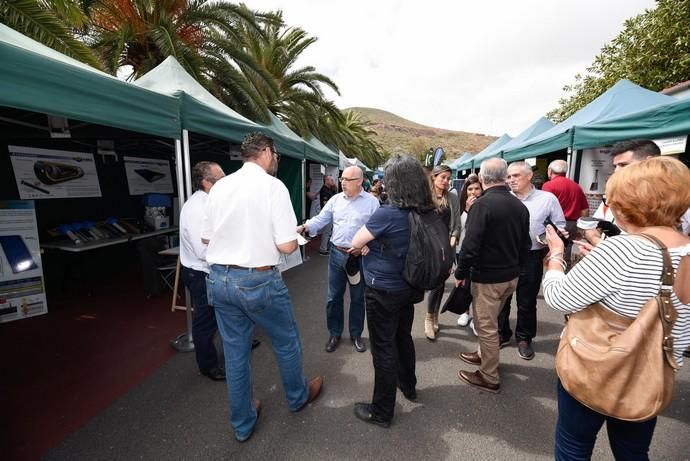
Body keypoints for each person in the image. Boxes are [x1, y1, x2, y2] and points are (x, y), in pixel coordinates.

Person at [541, 156, 690, 460]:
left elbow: (558, 297)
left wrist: (555, 257)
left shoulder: (622, 249)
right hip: (651, 375)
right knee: (634, 453)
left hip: (595, 369)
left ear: (630, 203)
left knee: (573, 448)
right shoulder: (684, 249)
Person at [202, 132, 323, 443]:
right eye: (276, 155)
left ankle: (243, 423)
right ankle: (297, 398)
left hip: (219, 278)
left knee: (235, 354)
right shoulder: (272, 186)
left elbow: (206, 237)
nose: (276, 161)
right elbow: (285, 245)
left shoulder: (220, 186)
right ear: (267, 152)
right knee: (286, 342)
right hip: (257, 280)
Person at [350, 154, 431, 427]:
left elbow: (356, 241)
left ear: (393, 183)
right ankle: (408, 385)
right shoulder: (426, 211)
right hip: (410, 286)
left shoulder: (387, 212)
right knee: (402, 337)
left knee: (383, 349)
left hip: (383, 290)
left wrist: (367, 245)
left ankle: (382, 411)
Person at [455, 158, 530, 393]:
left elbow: (470, 246)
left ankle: (489, 376)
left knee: (486, 325)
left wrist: (460, 272)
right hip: (511, 277)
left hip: (489, 279)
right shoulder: (519, 205)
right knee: (492, 321)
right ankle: (483, 355)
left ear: (483, 177)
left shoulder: (482, 205)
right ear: (504, 177)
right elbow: (525, 244)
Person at [297, 166, 380, 353]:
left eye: (347, 180)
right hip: (336, 254)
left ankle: (356, 334)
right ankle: (334, 333)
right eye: (341, 178)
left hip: (358, 258)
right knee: (334, 297)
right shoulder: (335, 200)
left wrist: (369, 244)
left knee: (358, 298)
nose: (342, 182)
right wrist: (303, 227)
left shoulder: (372, 203)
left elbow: (378, 230)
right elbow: (320, 220)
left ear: (359, 181)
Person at [498, 161, 566, 360]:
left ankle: (524, 338)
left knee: (526, 301)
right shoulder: (503, 199)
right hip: (506, 255)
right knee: (503, 298)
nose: (511, 180)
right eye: (509, 176)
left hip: (532, 255)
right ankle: (501, 334)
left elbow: (559, 225)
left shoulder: (547, 198)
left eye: (516, 176)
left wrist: (547, 240)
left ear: (529, 176)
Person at [180, 161, 228, 381]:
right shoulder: (198, 209)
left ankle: (238, 341)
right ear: (206, 183)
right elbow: (203, 251)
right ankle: (207, 365)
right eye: (220, 178)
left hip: (210, 271)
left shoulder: (211, 201)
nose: (225, 181)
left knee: (226, 311)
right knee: (205, 321)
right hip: (200, 273)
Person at [424, 164, 461, 340]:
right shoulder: (425, 197)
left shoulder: (452, 197)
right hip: (428, 247)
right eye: (442, 177)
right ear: (434, 177)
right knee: (433, 284)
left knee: (440, 283)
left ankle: (434, 316)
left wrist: (453, 238)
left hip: (446, 248)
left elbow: (457, 224)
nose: (446, 181)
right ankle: (429, 318)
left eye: (448, 178)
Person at [541, 159, 589, 267]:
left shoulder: (548, 186)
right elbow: (585, 210)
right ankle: (565, 275)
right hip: (572, 225)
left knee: (551, 254)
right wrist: (582, 229)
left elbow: (543, 209)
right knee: (566, 253)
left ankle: (551, 277)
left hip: (554, 225)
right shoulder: (576, 186)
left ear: (549, 171)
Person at [455, 174, 483, 330]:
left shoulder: (486, 204)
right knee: (464, 284)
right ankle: (465, 312)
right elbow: (460, 228)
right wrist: (467, 209)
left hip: (481, 252)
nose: (473, 192)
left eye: (477, 189)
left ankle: (477, 318)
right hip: (463, 251)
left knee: (478, 286)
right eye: (470, 189)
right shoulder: (461, 206)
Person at [317, 175, 337, 256]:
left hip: (331, 213)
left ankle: (326, 247)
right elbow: (325, 204)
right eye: (331, 180)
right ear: (326, 180)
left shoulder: (330, 189)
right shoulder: (324, 190)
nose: (333, 181)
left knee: (328, 232)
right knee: (326, 232)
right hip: (327, 214)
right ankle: (323, 249)